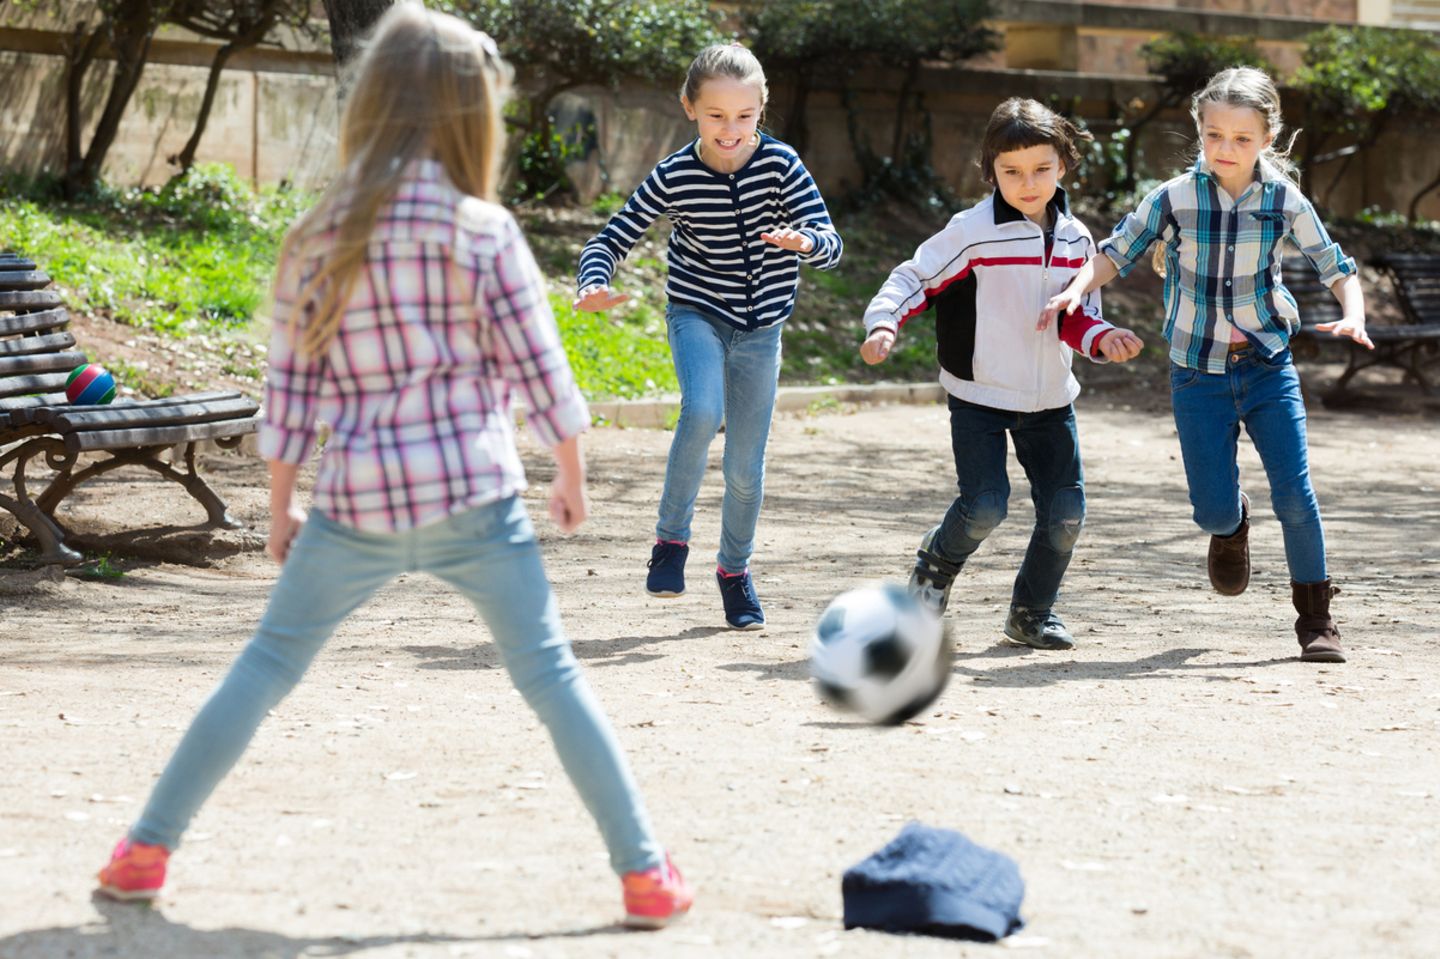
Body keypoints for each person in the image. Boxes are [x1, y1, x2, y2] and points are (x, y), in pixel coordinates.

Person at [94, 5, 692, 928]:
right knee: (550, 676)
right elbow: (541, 367)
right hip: (476, 499)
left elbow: (292, 391)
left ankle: (144, 850)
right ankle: (644, 873)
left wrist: (281, 505)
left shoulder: (319, 234)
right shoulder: (484, 230)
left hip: (357, 503)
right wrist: (568, 470)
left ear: (368, 101)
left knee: (266, 665)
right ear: (472, 113)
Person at [1043, 66, 1373, 664]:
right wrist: (1074, 288)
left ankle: (1317, 620)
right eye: (1214, 134)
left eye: (1242, 138)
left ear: (1267, 138)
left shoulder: (1283, 200)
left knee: (1295, 495)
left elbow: (1335, 264)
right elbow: (1114, 252)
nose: (1226, 148)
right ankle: (1231, 526)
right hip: (1197, 373)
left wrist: (1353, 313)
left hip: (1268, 367)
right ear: (1199, 129)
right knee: (1212, 509)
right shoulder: (1173, 197)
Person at [575, 43, 843, 631]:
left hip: (761, 330)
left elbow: (830, 240)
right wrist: (592, 282)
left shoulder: (781, 165)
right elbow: (612, 238)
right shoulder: (674, 175)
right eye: (716, 115)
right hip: (696, 311)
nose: (731, 129)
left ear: (761, 110)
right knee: (701, 410)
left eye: (744, 116)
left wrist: (805, 242)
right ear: (689, 107)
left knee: (745, 468)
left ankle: (734, 572)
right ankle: (670, 542)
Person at [861, 97, 1144, 651]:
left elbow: (1077, 315)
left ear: (1063, 165)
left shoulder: (1078, 239)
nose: (1028, 183)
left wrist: (1103, 338)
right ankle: (935, 566)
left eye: (1041, 168)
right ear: (991, 170)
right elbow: (914, 278)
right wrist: (884, 322)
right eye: (1011, 171)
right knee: (984, 506)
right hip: (979, 395)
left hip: (1050, 400)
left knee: (1066, 515)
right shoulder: (972, 232)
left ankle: (1032, 613)